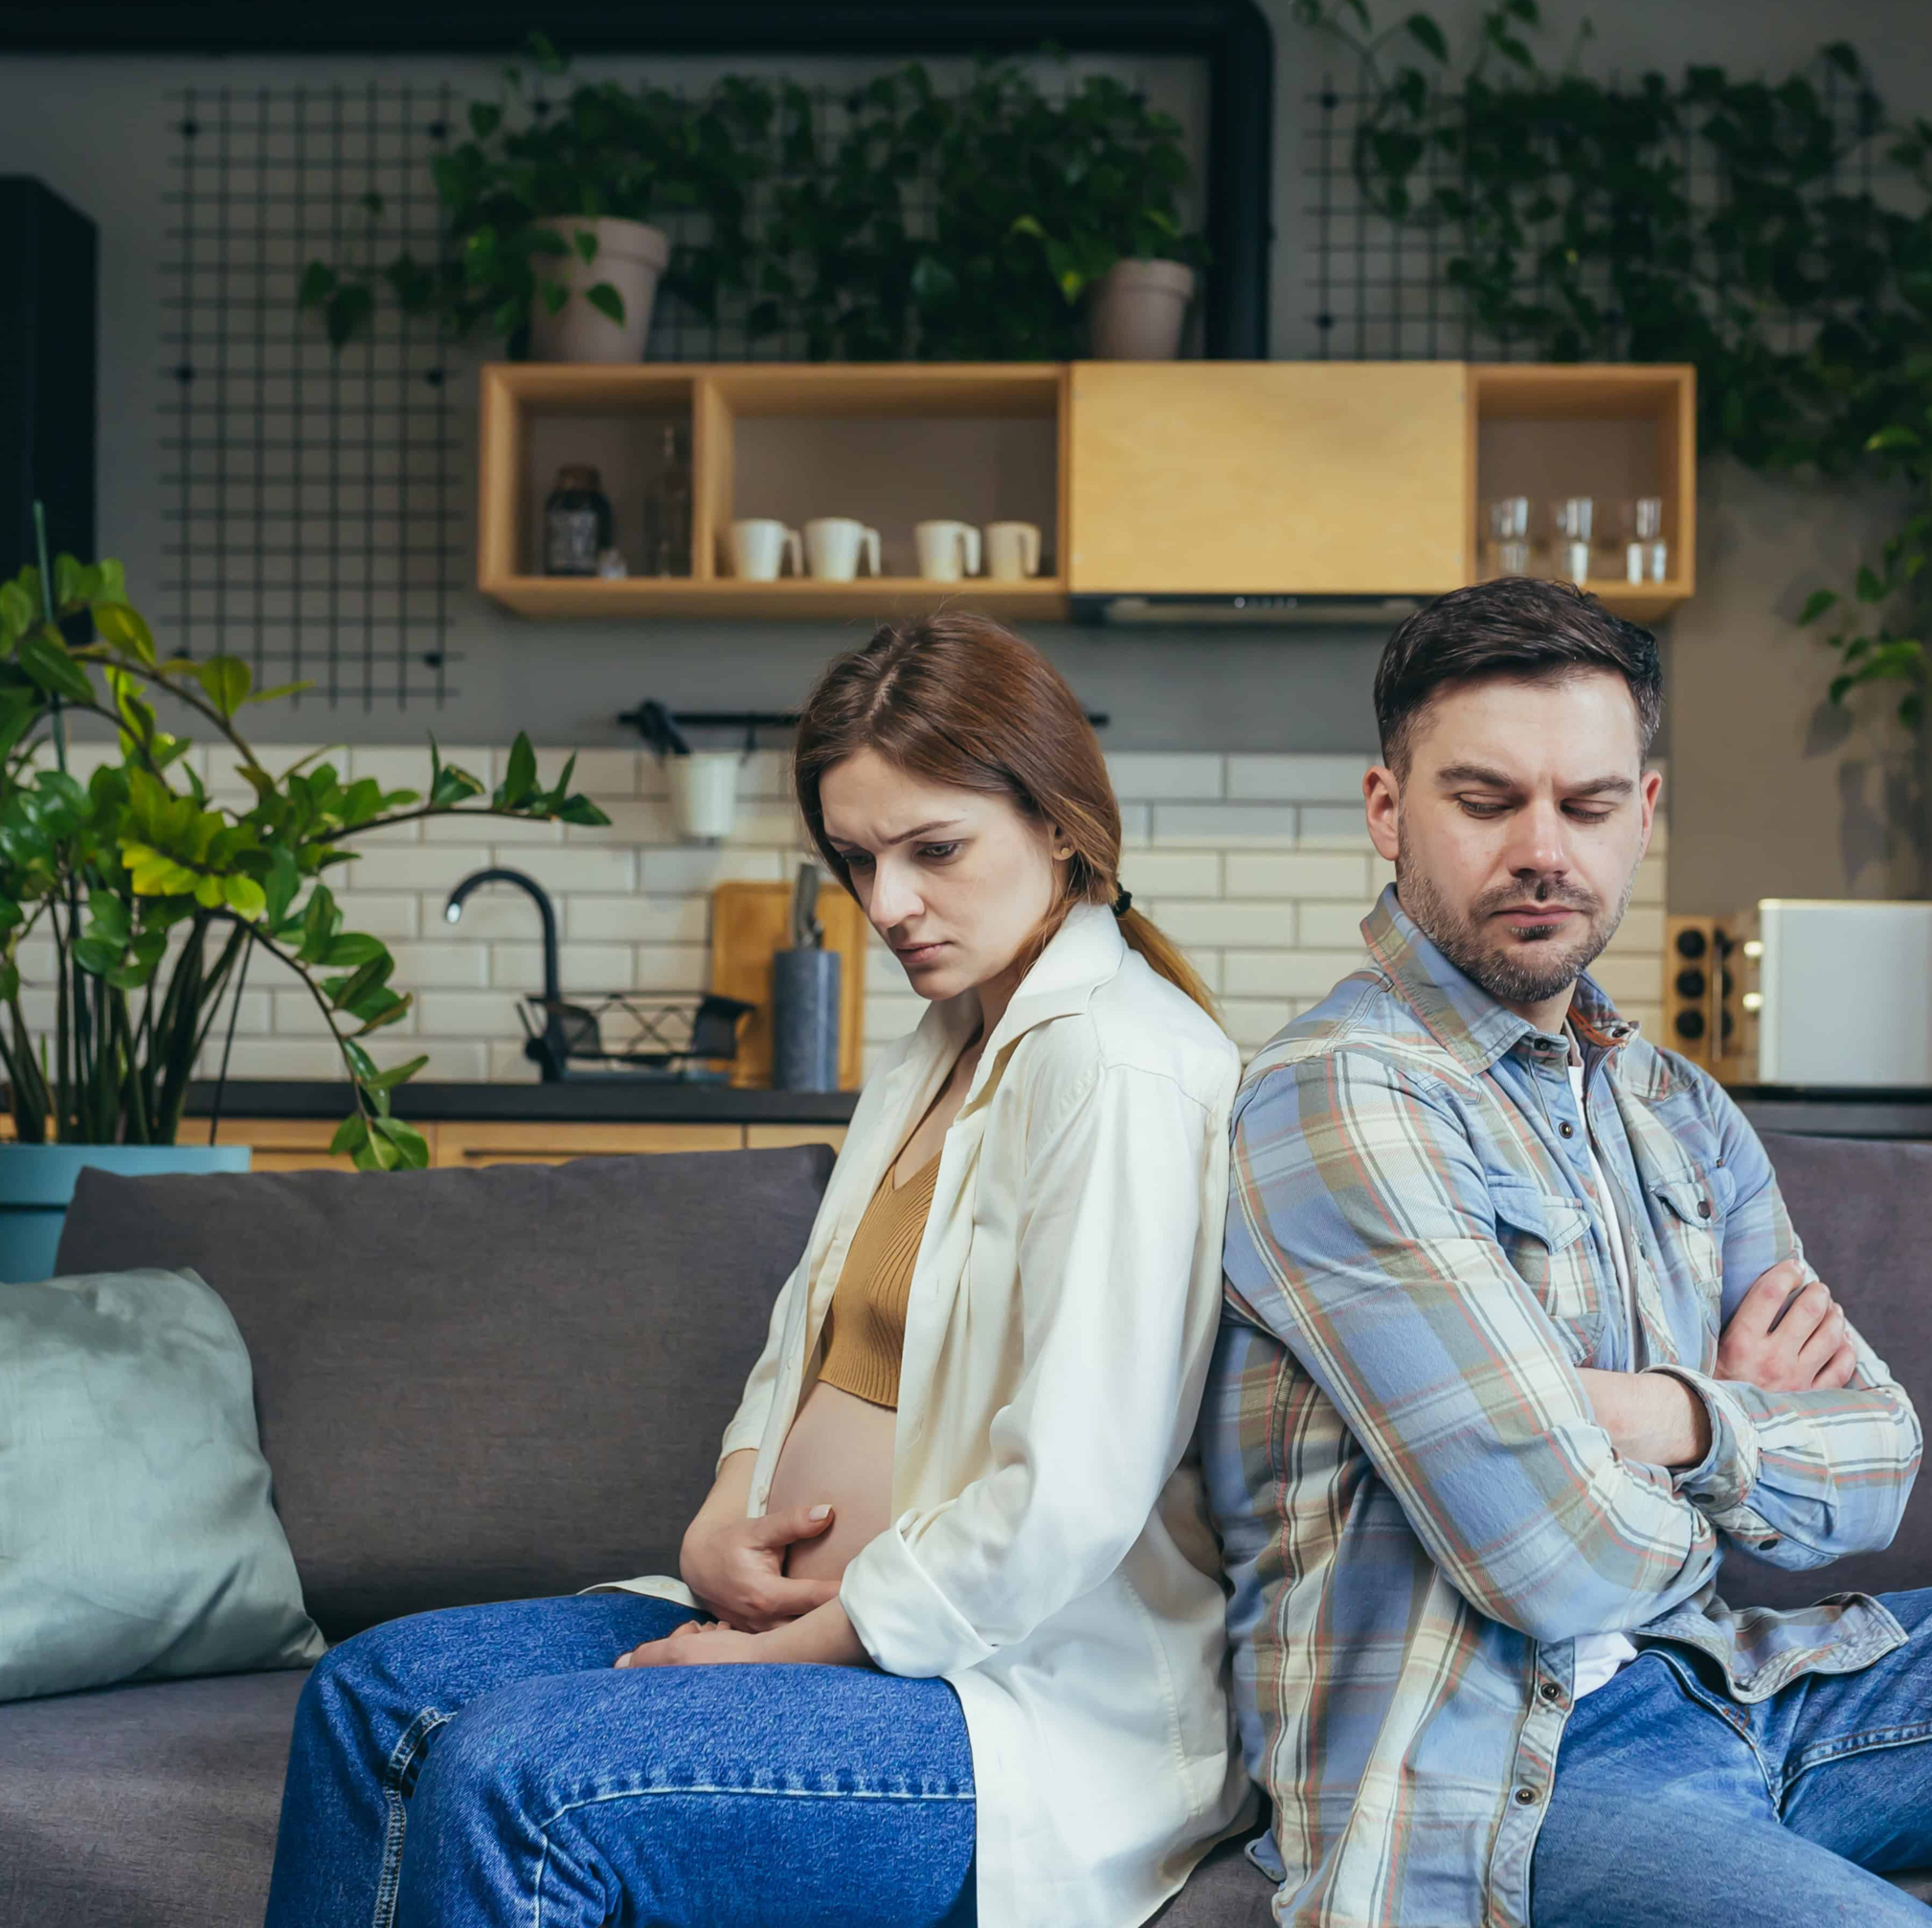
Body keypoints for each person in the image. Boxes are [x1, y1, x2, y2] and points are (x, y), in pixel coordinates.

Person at [1204, 577, 1932, 1928]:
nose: (1542, 850)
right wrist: (1744, 1440)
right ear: (1388, 811)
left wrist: (1663, 1416)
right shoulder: (1343, 1094)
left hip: (1737, 1675)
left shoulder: (1675, 1108)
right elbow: (1550, 1557)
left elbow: (1882, 1462)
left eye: (1587, 806)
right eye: (1486, 800)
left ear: (1644, 813)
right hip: (1512, 1769)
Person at [265, 613, 1250, 1928]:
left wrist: (799, 1647)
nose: (886, 906)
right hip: (807, 1635)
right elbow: (808, 1335)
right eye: (858, 859)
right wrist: (723, 1513)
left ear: (1061, 824)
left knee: (521, 1778)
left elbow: (1069, 1499)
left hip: (998, 1694)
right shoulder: (938, 1044)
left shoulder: (1120, 1066)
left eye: (934, 850)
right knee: (367, 1696)